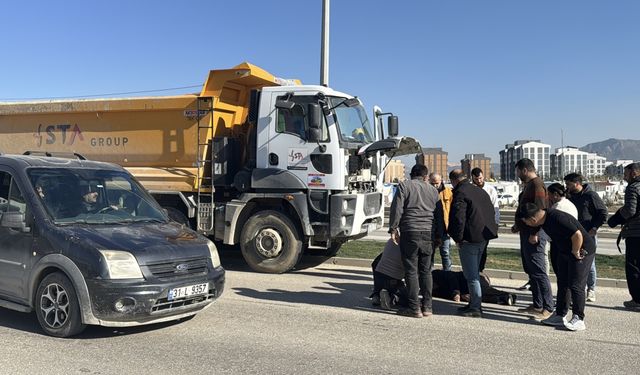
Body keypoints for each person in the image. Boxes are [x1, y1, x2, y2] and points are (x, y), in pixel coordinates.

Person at [519, 203, 596, 331]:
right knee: (563, 283)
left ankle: (579, 318)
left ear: (533, 219)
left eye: (526, 222)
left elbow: (577, 234)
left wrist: (576, 251)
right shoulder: (543, 220)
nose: (527, 225)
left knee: (576, 284)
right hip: (566, 251)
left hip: (582, 250)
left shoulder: (556, 217)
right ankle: (560, 315)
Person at [388, 163, 442, 318]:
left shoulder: (404, 186)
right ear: (426, 176)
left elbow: (397, 208)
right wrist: (439, 235)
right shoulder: (433, 190)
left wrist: (393, 228)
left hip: (410, 231)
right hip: (428, 233)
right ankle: (428, 307)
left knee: (411, 271)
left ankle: (414, 308)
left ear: (411, 174)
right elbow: (438, 215)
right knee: (426, 271)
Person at [448, 169, 498, 318]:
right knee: (475, 271)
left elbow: (459, 217)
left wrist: (458, 238)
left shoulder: (461, 192)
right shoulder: (480, 191)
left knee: (471, 275)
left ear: (454, 180)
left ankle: (476, 306)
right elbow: (491, 212)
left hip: (469, 239)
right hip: (483, 236)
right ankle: (474, 303)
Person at [512, 158, 554, 320]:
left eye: (517, 171)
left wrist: (535, 232)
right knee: (531, 270)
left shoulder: (537, 185)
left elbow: (541, 211)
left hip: (534, 234)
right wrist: (518, 226)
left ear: (524, 170)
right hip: (526, 232)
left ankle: (548, 307)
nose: (517, 174)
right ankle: (537, 304)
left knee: (538, 271)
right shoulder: (530, 185)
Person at [564, 173, 608, 303]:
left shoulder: (591, 195)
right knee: (574, 261)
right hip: (572, 234)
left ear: (577, 183)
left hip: (588, 234)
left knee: (589, 263)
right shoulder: (569, 196)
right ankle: (576, 290)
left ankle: (591, 289)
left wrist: (594, 228)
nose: (567, 186)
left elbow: (603, 212)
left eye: (568, 184)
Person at [608, 162, 640, 311]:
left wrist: (614, 220)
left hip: (636, 233)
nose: (624, 177)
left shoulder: (633, 188)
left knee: (633, 267)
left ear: (634, 173)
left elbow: (630, 210)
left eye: (626, 174)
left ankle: (637, 299)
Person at [471, 167, 500, 272]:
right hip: (474, 223)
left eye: (480, 178)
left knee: (483, 249)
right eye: (476, 179)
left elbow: (495, 207)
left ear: (483, 176)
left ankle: (480, 270)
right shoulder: (471, 189)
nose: (479, 181)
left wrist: (496, 222)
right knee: (474, 248)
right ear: (472, 178)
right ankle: (474, 269)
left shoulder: (490, 190)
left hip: (486, 223)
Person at [371, 239, 408, 310]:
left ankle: (377, 294)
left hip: (379, 274)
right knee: (411, 301)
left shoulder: (393, 239)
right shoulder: (412, 246)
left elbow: (374, 264)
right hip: (393, 279)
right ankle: (393, 297)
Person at [429, 173, 453, 271]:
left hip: (445, 228)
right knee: (430, 254)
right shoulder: (427, 192)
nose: (435, 186)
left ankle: (447, 274)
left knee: (445, 253)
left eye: (437, 183)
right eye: (432, 183)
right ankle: (429, 276)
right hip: (431, 228)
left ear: (441, 181)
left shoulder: (448, 192)